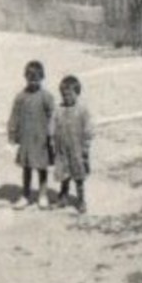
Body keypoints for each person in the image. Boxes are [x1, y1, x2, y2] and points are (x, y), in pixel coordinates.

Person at [7, 59, 55, 210]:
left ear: (42, 78)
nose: (33, 82)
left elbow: (53, 116)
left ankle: (42, 195)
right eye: (30, 78)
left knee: (42, 168)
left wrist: (51, 134)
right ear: (25, 77)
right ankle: (26, 195)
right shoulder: (20, 97)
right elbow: (14, 116)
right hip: (26, 139)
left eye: (37, 79)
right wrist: (12, 134)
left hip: (41, 139)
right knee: (26, 168)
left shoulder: (46, 96)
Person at [53, 74, 93, 214]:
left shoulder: (82, 110)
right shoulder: (58, 110)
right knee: (64, 175)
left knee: (79, 176)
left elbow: (88, 130)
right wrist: (52, 144)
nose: (67, 98)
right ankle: (63, 196)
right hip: (62, 150)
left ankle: (81, 200)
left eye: (70, 95)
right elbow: (53, 127)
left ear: (77, 93)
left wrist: (86, 148)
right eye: (64, 95)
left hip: (77, 150)